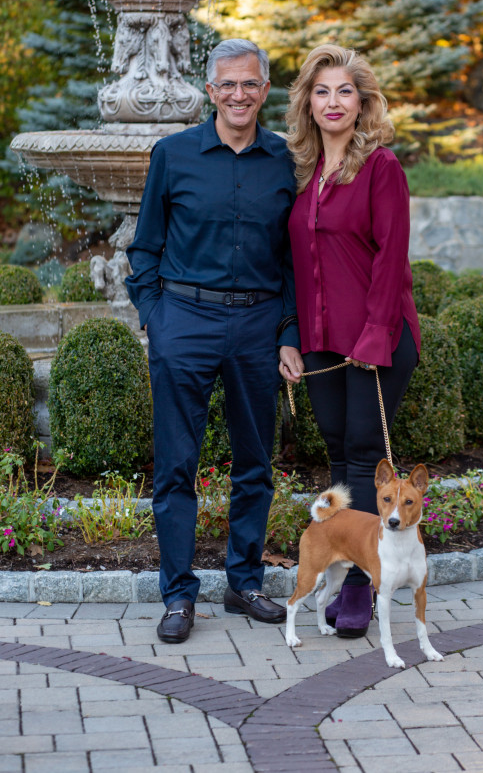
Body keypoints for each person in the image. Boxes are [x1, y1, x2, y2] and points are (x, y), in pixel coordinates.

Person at [126, 38, 304, 643]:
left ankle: (244, 582)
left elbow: (290, 264)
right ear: (210, 91)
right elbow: (144, 246)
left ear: (264, 90)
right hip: (184, 322)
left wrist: (289, 332)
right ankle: (178, 597)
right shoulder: (173, 155)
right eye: (227, 85)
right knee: (177, 465)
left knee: (255, 461)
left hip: (257, 328)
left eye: (249, 84)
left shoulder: (284, 161)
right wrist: (156, 317)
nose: (238, 95)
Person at [281, 44, 420, 639]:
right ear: (308, 103)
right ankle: (349, 572)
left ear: (361, 101)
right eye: (322, 91)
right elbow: (292, 265)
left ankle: (363, 591)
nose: (333, 102)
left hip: (377, 338)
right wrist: (290, 336)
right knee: (338, 453)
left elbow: (392, 258)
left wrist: (372, 337)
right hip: (318, 341)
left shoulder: (380, 166)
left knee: (365, 453)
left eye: (344, 91)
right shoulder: (303, 172)